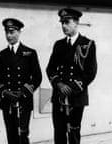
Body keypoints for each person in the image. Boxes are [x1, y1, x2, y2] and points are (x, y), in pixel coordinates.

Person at [46, 8, 97, 144]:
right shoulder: (59, 45)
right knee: (59, 132)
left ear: (76, 23)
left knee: (74, 132)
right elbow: (50, 69)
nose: (63, 26)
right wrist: (59, 84)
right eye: (62, 22)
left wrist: (72, 87)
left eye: (67, 22)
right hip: (59, 96)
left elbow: (90, 72)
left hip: (77, 96)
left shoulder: (87, 44)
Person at [0, 18, 42, 144]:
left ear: (19, 32)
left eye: (12, 32)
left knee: (23, 133)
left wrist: (23, 92)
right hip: (7, 101)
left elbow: (37, 77)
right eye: (6, 32)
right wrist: (4, 92)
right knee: (11, 134)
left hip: (24, 101)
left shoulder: (30, 53)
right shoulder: (2, 55)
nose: (9, 35)